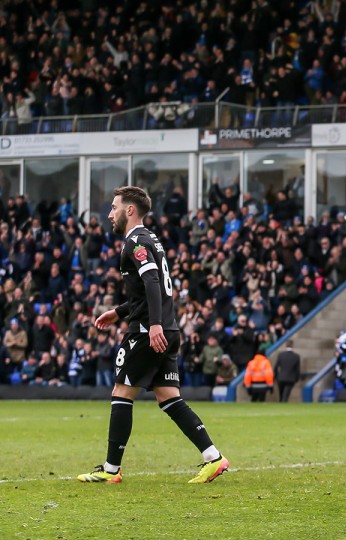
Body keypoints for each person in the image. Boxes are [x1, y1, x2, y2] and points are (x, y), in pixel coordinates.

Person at [78, 186, 228, 484]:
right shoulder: (152, 240)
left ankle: (110, 470)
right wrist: (119, 312)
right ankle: (213, 457)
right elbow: (147, 287)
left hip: (149, 331)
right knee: (169, 397)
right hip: (167, 329)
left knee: (121, 393)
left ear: (129, 210)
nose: (110, 213)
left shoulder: (136, 240)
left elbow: (151, 281)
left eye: (114, 207)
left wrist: (153, 324)